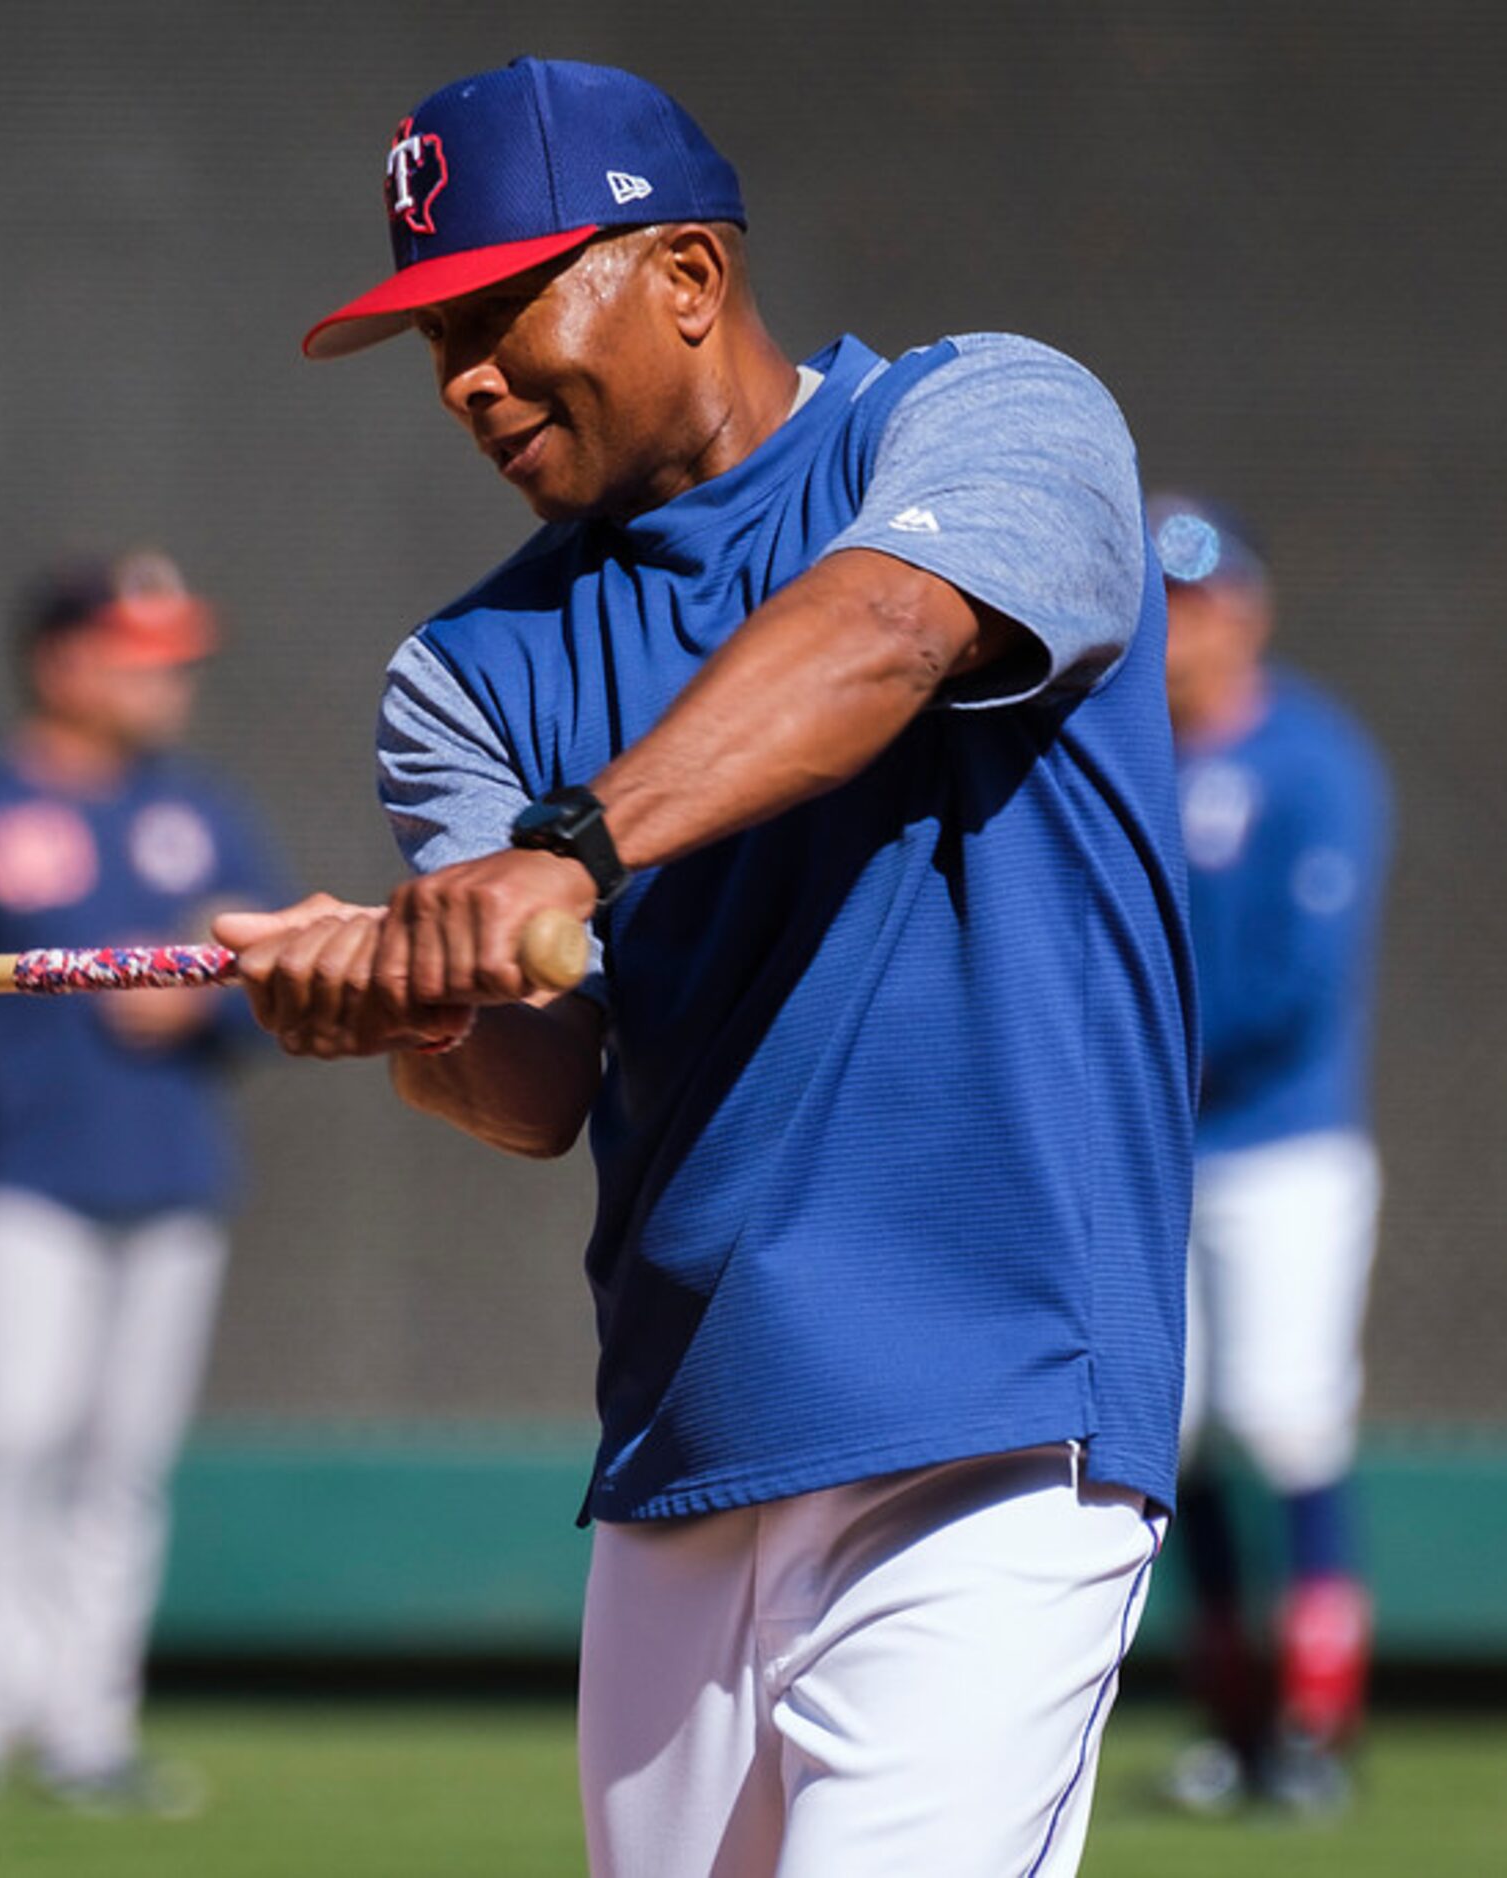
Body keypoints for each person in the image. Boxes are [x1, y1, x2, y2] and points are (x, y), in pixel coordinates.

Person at [214, 57, 1194, 1877]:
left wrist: (565, 848)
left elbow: (889, 629)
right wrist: (408, 1005)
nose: (466, 378)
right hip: (686, 1440)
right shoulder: (467, 669)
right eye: (433, 342)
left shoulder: (984, 415)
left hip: (991, 1424)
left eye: (498, 309)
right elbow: (530, 1086)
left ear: (684, 277)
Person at [0, 548, 285, 1819]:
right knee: (7, 1436)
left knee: (123, 1461)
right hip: (19, 1184)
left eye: (172, 655)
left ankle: (90, 1727)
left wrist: (208, 1005)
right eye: (135, 653)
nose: (166, 680)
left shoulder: (199, 815)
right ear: (59, 661)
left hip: (171, 1181)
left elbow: (289, 1000)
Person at [1148, 495, 1392, 1819]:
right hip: (1159, 1154)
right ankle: (1234, 1722)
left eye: (1194, 598)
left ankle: (1315, 1721)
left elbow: (1297, 985)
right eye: (1158, 602)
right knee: (1174, 1437)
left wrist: (1136, 1055)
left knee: (1288, 1417)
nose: (1176, 628)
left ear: (1247, 605)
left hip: (1282, 1145)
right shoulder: (1127, 756)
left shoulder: (1311, 760)